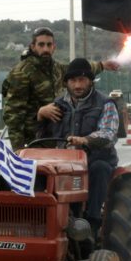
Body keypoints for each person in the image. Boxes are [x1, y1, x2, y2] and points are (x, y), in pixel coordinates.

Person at [39, 58, 119, 235]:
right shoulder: (58, 105)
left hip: (93, 160)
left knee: (100, 168)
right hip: (62, 163)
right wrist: (40, 115)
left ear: (90, 81)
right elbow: (42, 138)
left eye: (82, 80)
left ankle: (91, 224)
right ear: (66, 83)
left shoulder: (105, 103)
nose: (77, 85)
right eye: (73, 80)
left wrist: (85, 140)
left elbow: (108, 133)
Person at [2, 27, 117, 149]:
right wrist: (19, 148)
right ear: (32, 46)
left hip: (55, 138)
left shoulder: (55, 69)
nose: (45, 49)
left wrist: (102, 65)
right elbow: (13, 116)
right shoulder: (21, 73)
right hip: (32, 140)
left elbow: (76, 71)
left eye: (49, 44)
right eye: (41, 45)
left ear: (54, 47)